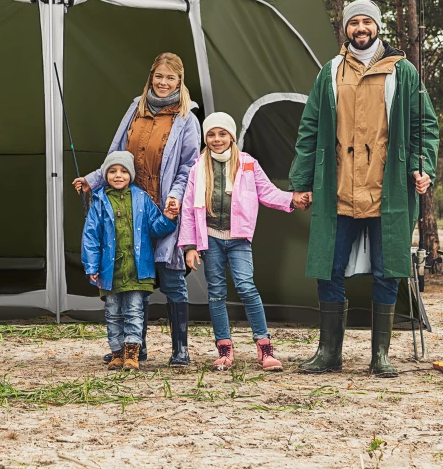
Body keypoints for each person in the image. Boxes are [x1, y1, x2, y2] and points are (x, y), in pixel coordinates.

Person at [290, 0, 438, 377]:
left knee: (388, 270)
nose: (360, 28)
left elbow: (426, 126)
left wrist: (425, 168)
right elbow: (309, 130)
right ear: (346, 28)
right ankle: (329, 354)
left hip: (385, 190)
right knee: (329, 268)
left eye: (366, 21)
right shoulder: (330, 72)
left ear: (377, 26)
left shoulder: (402, 72)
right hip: (337, 188)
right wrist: (301, 182)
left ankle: (381, 356)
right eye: (353, 22)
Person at [73, 52, 201, 366]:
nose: (163, 82)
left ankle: (179, 350)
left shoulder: (187, 118)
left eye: (170, 77)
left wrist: (176, 195)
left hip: (164, 203)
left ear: (179, 81)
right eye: (159, 76)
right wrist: (93, 179)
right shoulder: (136, 108)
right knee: (131, 277)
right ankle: (135, 347)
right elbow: (116, 152)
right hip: (128, 205)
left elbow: (189, 166)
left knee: (171, 278)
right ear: (151, 77)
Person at [178, 113, 308, 371]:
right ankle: (224, 350)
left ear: (232, 136)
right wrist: (190, 247)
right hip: (211, 239)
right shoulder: (198, 167)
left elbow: (267, 192)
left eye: (222, 134)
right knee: (216, 293)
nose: (217, 140)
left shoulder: (247, 163)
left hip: (238, 239)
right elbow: (189, 209)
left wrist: (292, 199)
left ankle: (264, 348)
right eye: (211, 135)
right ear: (206, 138)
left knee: (247, 287)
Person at [81, 151, 176, 371]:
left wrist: (169, 218)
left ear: (130, 175)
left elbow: (155, 227)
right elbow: (91, 235)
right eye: (112, 171)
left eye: (123, 171)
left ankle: (132, 354)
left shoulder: (142, 198)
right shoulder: (99, 201)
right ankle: (117, 353)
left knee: (134, 311)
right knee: (113, 312)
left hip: (137, 268)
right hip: (109, 269)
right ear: (105, 175)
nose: (118, 175)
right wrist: (92, 265)